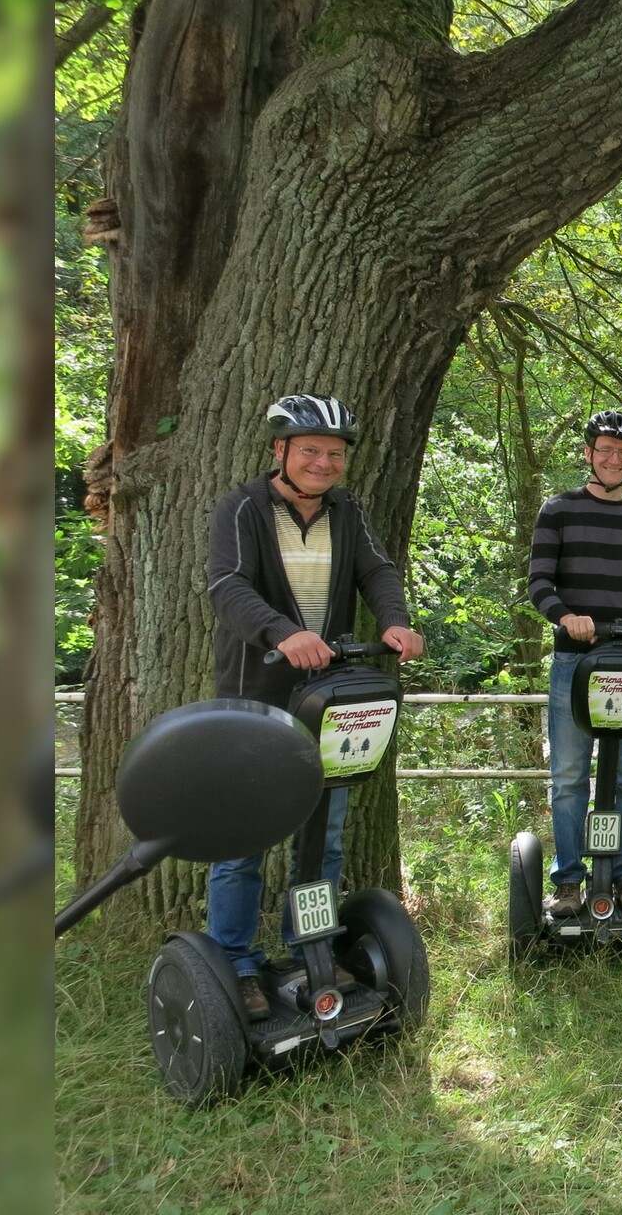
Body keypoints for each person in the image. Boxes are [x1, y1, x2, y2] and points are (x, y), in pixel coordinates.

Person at [205, 394, 426, 1020]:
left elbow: (378, 573)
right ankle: (237, 965)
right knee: (242, 839)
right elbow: (227, 586)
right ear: (281, 451)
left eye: (333, 453)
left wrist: (395, 622)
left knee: (322, 838)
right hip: (256, 694)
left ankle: (311, 951)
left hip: (325, 696)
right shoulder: (243, 508)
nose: (323, 462)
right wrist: (283, 631)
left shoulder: (348, 511)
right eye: (310, 450)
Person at [527, 409, 622, 920]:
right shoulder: (558, 510)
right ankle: (569, 881)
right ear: (589, 453)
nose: (615, 459)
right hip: (575, 661)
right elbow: (539, 584)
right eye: (606, 450)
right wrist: (566, 616)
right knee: (570, 775)